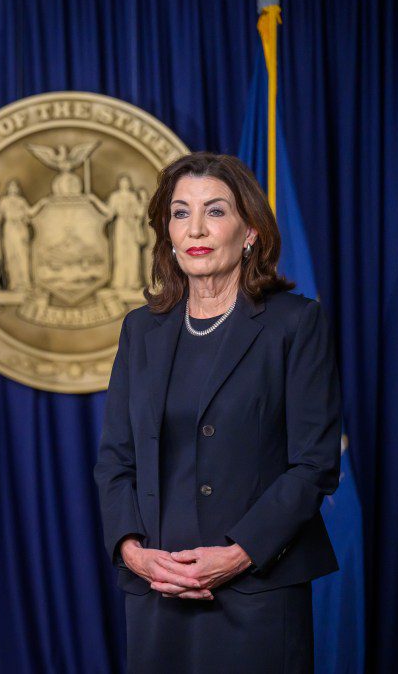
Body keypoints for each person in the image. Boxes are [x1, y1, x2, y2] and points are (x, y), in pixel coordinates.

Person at [94, 152, 341, 672]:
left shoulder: (295, 324)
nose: (196, 228)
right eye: (181, 213)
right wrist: (135, 554)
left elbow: (315, 465)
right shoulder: (142, 329)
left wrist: (237, 555)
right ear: (167, 231)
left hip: (256, 591)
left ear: (250, 231)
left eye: (215, 211)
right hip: (158, 590)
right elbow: (116, 459)